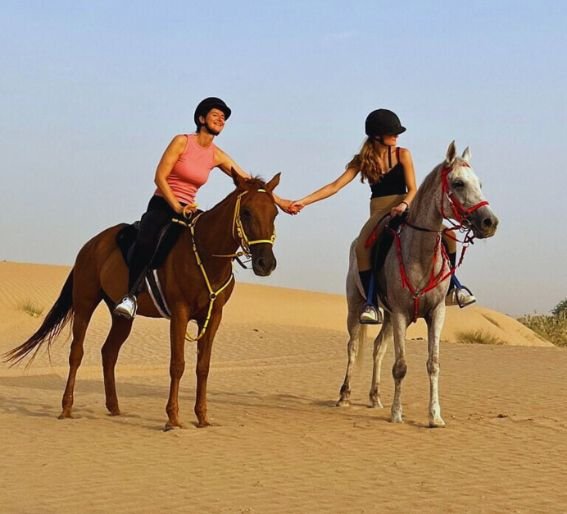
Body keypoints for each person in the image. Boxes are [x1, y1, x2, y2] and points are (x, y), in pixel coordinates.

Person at [288, 108, 475, 325]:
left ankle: (453, 286)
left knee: (449, 234)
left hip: (407, 207)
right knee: (361, 247)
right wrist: (303, 201)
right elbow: (335, 186)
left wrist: (404, 204)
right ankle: (371, 302)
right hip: (379, 212)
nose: (397, 136)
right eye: (392, 132)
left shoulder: (403, 154)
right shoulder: (361, 161)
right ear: (377, 135)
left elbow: (413, 188)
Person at [114, 97, 292, 320]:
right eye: (216, 115)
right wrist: (177, 207)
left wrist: (280, 202)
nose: (221, 119)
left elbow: (250, 185)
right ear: (201, 118)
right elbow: (160, 177)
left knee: (211, 235)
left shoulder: (216, 154)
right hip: (164, 204)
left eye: (224, 118)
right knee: (148, 240)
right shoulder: (182, 142)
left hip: (189, 209)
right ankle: (130, 297)